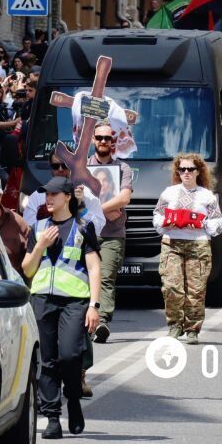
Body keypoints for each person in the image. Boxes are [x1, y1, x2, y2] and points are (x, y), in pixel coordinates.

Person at [22, 176, 102, 439]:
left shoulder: (82, 226)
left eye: (54, 194)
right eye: (47, 194)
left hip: (74, 301)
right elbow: (28, 269)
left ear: (67, 196)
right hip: (42, 299)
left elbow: (93, 268)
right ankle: (53, 417)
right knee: (47, 361)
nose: (49, 198)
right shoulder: (38, 227)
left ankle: (74, 398)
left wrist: (94, 305)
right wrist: (41, 245)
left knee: (69, 355)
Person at [153, 152, 222, 343]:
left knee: (196, 289)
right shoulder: (169, 192)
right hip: (172, 244)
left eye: (190, 169)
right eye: (182, 169)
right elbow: (157, 215)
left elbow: (218, 221)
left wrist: (203, 224)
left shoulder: (207, 195)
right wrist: (166, 222)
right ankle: (175, 325)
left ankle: (192, 328)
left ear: (198, 171)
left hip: (198, 245)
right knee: (171, 286)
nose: (186, 172)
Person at [88, 123, 133, 343]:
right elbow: (76, 199)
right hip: (86, 232)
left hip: (112, 234)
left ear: (113, 141)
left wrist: (96, 208)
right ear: (93, 140)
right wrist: (105, 208)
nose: (104, 141)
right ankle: (84, 319)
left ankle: (102, 321)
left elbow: (124, 199)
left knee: (106, 277)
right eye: (100, 138)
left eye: (108, 138)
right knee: (82, 277)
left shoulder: (123, 169)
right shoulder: (83, 167)